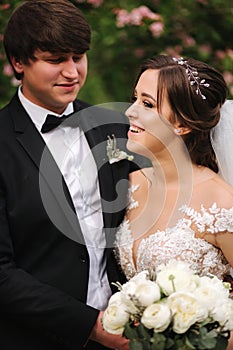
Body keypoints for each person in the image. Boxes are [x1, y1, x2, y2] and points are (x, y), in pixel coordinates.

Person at [0, 1, 136, 349]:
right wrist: (89, 325)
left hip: (127, 332)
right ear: (19, 62)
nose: (73, 72)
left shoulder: (115, 126)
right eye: (56, 59)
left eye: (78, 56)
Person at [114, 55, 233, 348]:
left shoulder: (219, 202)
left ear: (181, 124)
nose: (130, 111)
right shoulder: (131, 183)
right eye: (134, 99)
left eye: (147, 104)